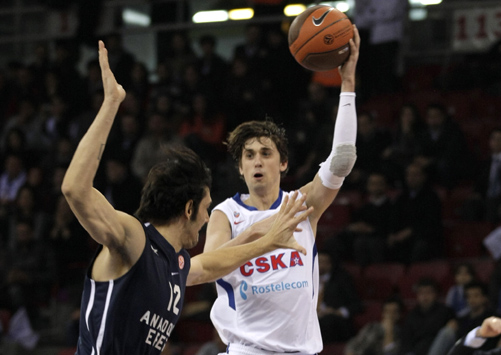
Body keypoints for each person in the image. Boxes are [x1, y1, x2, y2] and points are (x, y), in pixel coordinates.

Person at [63, 41, 314, 355]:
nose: (209, 218)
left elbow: (212, 264)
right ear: (188, 208)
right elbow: (75, 189)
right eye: (207, 207)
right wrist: (111, 103)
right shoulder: (134, 237)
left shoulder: (176, 262)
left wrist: (260, 234)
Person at [202, 26, 360, 355]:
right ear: (240, 168)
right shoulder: (225, 214)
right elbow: (208, 266)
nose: (257, 160)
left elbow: (343, 159)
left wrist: (346, 84)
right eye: (249, 155)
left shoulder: (301, 205)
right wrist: (258, 235)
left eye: (265, 153)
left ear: (283, 163)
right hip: (248, 350)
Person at [427, 281, 498, 355]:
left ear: (484, 298)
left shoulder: (493, 318)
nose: (472, 300)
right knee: (447, 331)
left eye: (476, 296)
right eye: (468, 296)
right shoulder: (461, 320)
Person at [400, 277, 454, 355]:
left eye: (428, 292)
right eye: (421, 293)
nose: (425, 296)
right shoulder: (411, 315)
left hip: (437, 350)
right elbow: (406, 342)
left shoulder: (445, 311)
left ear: (435, 294)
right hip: (416, 351)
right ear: (417, 295)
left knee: (448, 331)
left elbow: (449, 336)